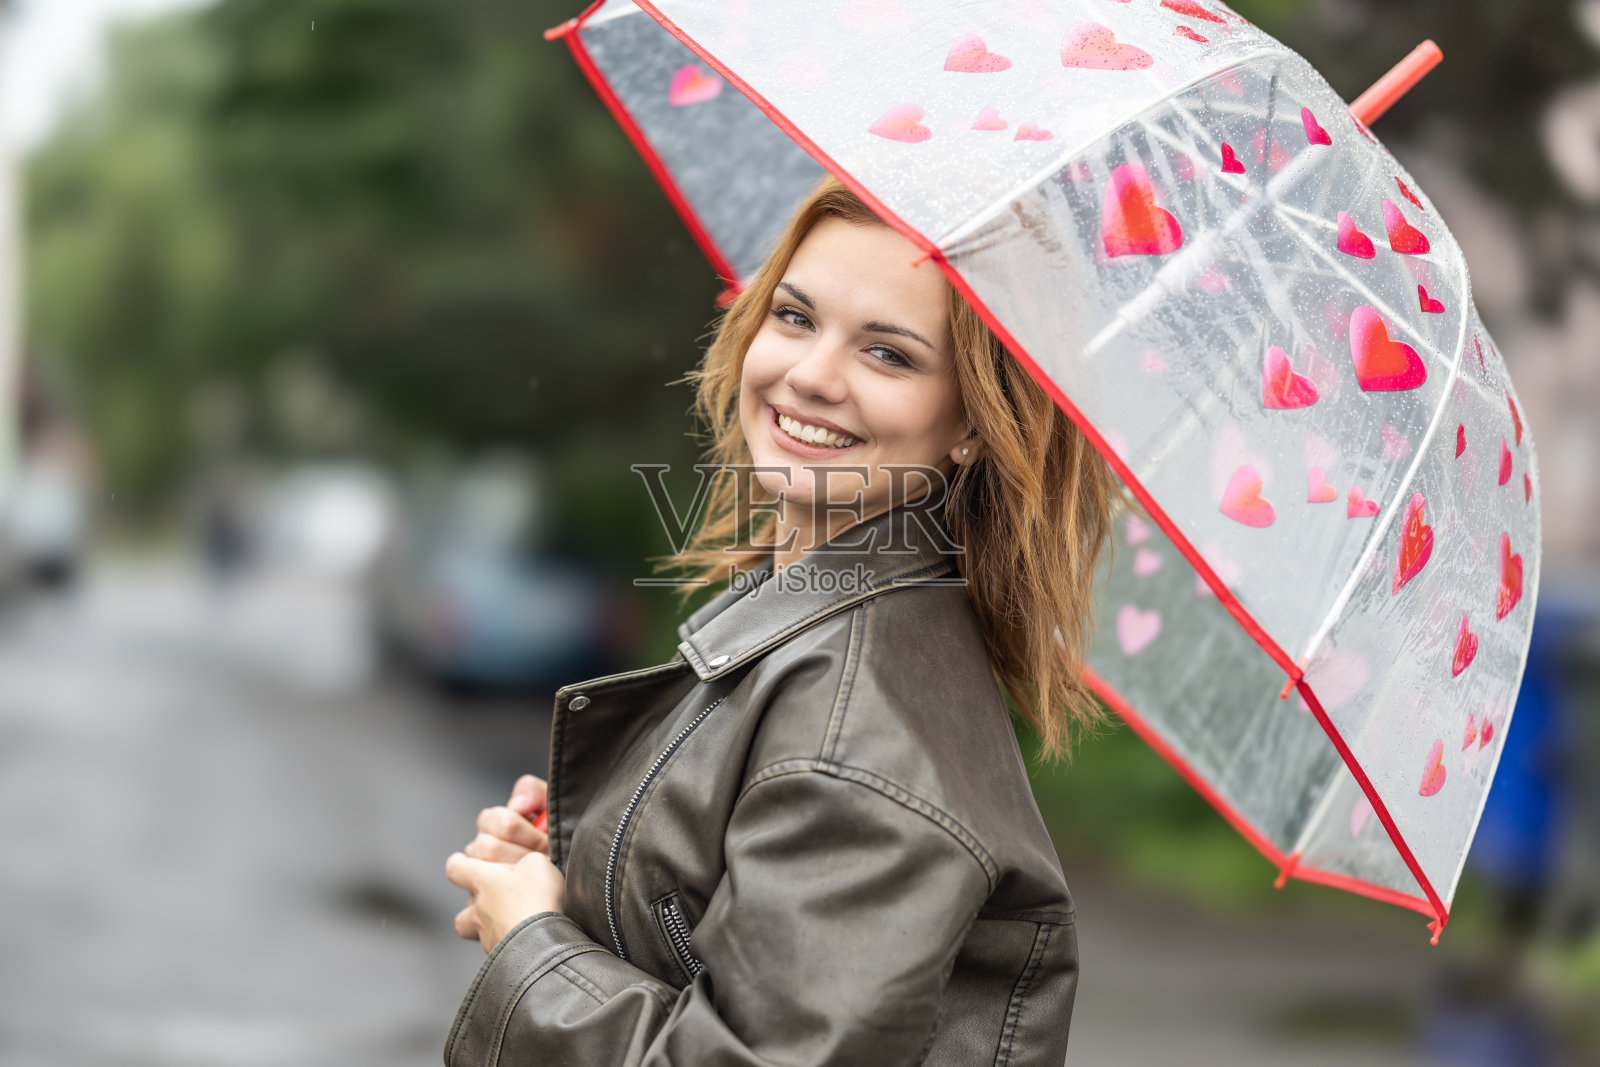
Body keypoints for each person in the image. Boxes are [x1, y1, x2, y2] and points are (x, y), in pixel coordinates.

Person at [442, 176, 1122, 1066]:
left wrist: (534, 945)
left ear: (972, 424)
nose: (808, 374)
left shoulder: (858, 726)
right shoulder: (804, 629)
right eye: (796, 316)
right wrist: (561, 884)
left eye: (889, 355)